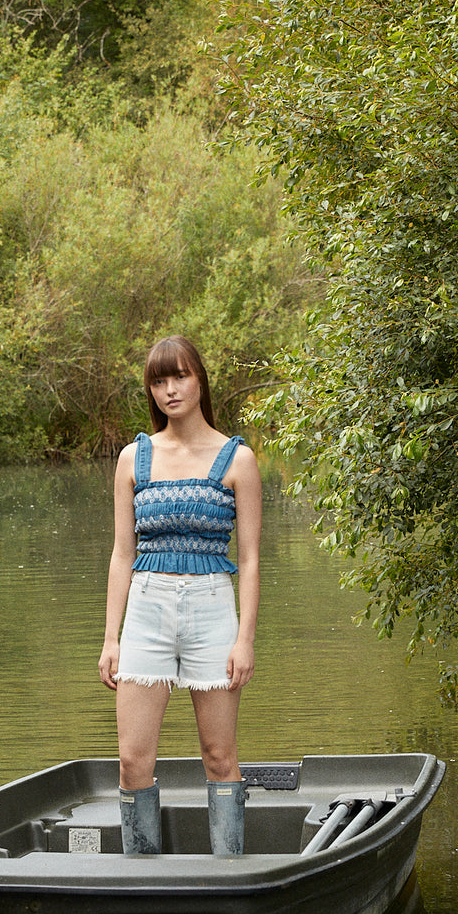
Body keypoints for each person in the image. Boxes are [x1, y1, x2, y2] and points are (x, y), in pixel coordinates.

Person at [98, 336, 262, 856]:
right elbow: (123, 553)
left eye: (181, 377)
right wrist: (110, 640)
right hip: (145, 610)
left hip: (213, 610)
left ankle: (229, 875)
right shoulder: (132, 458)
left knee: (218, 755)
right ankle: (141, 881)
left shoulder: (238, 459)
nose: (170, 390)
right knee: (132, 761)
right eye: (159, 381)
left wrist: (245, 639)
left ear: (200, 380)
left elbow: (253, 557)